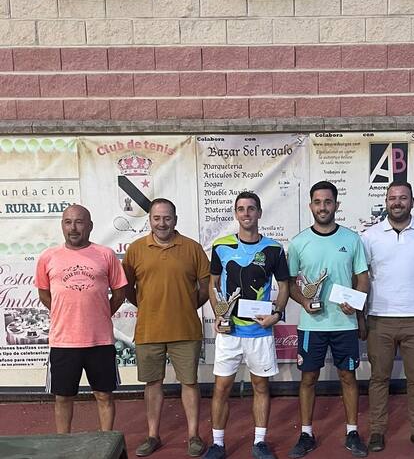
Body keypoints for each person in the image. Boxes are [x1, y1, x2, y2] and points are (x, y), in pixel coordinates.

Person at [287, 181, 370, 458]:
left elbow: (362, 278)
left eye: (328, 202)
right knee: (308, 378)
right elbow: (290, 283)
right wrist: (304, 301)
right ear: (310, 205)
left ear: (336, 204)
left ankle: (352, 432)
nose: (323, 207)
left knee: (348, 376)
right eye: (318, 202)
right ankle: (306, 434)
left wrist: (355, 303)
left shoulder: (352, 239)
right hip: (312, 325)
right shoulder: (299, 242)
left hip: (345, 323)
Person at [203, 192, 290, 459]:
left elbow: (284, 286)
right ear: (235, 213)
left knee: (260, 387)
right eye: (241, 209)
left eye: (251, 208)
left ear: (259, 213)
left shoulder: (274, 248)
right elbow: (213, 283)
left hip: (259, 332)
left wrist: (276, 314)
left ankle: (260, 442)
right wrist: (219, 314)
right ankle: (218, 444)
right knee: (221, 388)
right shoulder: (221, 246)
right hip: (229, 332)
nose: (246, 214)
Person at [123, 198, 210, 457]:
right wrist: (148, 305)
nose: (162, 223)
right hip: (148, 330)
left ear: (175, 220)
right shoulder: (136, 249)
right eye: (157, 218)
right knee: (153, 383)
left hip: (186, 329)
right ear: (150, 220)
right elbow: (127, 288)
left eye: (167, 218)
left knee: (190, 382)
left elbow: (205, 287)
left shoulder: (192, 248)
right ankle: (153, 435)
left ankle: (193, 435)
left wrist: (186, 306)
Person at [360, 181, 414, 453]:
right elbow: (361, 277)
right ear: (386, 201)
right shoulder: (370, 236)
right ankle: (376, 431)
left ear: (412, 201)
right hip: (379, 319)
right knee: (378, 379)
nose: (397, 202)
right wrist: (361, 315)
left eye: (403, 198)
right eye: (392, 198)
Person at [35, 204, 127, 434]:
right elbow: (44, 294)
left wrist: (101, 314)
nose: (73, 228)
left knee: (104, 395)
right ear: (62, 226)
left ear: (90, 226)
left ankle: (106, 443)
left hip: (100, 341)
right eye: (68, 222)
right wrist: (63, 312)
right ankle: (63, 444)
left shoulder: (106, 255)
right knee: (63, 397)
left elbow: (119, 293)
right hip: (63, 342)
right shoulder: (48, 257)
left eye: (79, 222)